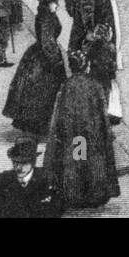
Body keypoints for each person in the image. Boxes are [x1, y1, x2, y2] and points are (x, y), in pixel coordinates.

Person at [44, 50, 121, 209]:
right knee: (92, 163)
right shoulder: (95, 85)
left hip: (73, 134)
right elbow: (102, 112)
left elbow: (59, 113)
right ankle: (94, 194)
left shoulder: (66, 85)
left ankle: (75, 194)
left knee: (75, 162)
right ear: (86, 66)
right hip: (92, 133)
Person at [4, 0, 67, 135]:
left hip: (38, 55)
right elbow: (47, 42)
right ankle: (37, 126)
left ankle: (31, 123)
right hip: (45, 59)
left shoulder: (46, 14)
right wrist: (56, 61)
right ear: (48, 2)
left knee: (35, 92)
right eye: (54, 1)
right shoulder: (47, 18)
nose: (57, 5)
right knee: (43, 91)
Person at [0, 137, 63, 218]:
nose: (19, 168)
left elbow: (57, 209)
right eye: (16, 162)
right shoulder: (2, 180)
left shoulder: (47, 179)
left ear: (33, 162)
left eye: (24, 163)